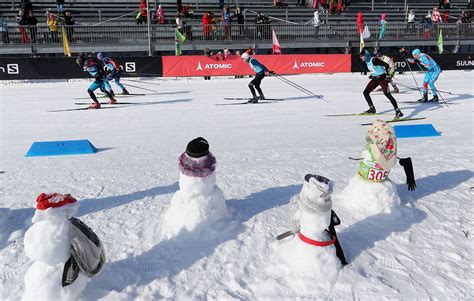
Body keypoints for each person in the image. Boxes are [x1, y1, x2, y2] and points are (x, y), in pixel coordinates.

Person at [359, 48, 403, 118]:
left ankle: (398, 111)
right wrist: (372, 74)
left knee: (387, 94)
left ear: (366, 55)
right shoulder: (367, 61)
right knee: (365, 92)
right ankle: (372, 109)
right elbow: (375, 69)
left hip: (382, 79)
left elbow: (386, 65)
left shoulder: (374, 60)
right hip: (375, 79)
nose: (361, 58)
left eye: (362, 56)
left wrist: (388, 75)